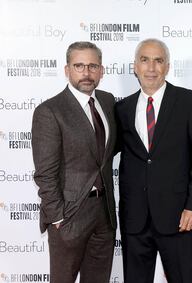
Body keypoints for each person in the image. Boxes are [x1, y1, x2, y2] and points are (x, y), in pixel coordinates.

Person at [115, 38, 192, 283]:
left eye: (158, 61)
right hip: (135, 218)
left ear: (167, 67)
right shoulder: (122, 108)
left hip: (178, 217)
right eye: (144, 60)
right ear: (135, 66)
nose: (151, 67)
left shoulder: (189, 101)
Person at [31, 41, 117, 283]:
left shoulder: (108, 102)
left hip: (104, 213)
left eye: (92, 66)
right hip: (69, 215)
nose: (86, 73)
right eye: (79, 66)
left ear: (101, 70)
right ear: (67, 70)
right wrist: (58, 218)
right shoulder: (50, 111)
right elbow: (45, 174)